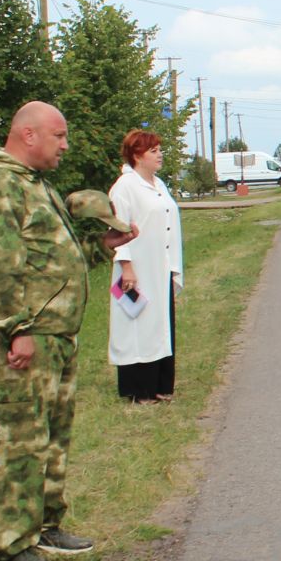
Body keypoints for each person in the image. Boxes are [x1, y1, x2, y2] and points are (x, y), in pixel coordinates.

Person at [0, 101, 135, 561]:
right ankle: (11, 546)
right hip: (28, 336)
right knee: (21, 439)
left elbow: (45, 256)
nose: (65, 145)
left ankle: (45, 524)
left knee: (52, 437)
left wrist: (97, 249)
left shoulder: (34, 184)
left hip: (55, 332)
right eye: (58, 136)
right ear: (28, 134)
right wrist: (14, 328)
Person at [109, 131, 186, 404]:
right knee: (138, 325)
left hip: (159, 265)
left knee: (159, 324)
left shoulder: (158, 184)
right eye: (153, 151)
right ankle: (138, 389)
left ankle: (159, 384)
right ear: (137, 155)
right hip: (137, 268)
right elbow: (117, 228)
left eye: (159, 149)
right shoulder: (124, 186)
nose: (159, 154)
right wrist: (126, 267)